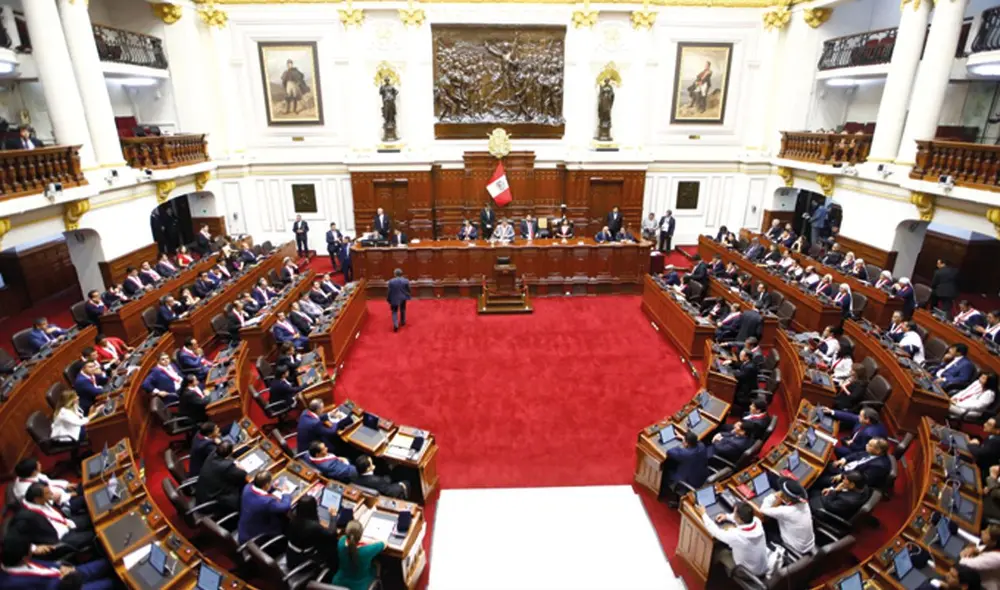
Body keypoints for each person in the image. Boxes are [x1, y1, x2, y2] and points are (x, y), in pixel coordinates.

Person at [0, 534, 116, 590]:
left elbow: (40, 565)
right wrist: (64, 580)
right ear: (24, 557)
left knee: (107, 562)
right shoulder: (10, 584)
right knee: (110, 583)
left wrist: (60, 567)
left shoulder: (14, 559)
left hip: (62, 573)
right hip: (65, 587)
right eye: (30, 550)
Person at [11, 482, 94, 551]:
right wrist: (33, 548)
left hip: (65, 523)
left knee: (93, 517)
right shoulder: (28, 517)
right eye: (47, 493)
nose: (51, 493)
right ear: (37, 499)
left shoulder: (37, 502)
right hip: (61, 538)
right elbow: (17, 537)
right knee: (95, 534)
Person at [697, 501, 768, 578]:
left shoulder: (736, 535)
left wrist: (703, 514)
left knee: (719, 551)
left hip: (749, 573)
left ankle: (710, 576)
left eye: (734, 514)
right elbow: (742, 521)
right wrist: (726, 516)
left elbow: (716, 532)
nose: (733, 515)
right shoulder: (757, 522)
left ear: (740, 519)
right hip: (762, 566)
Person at [237, 471, 294, 550]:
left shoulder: (247, 487)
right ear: (266, 485)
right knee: (287, 522)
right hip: (255, 537)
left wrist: (272, 487)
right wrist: (285, 493)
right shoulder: (266, 502)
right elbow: (285, 506)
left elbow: (260, 491)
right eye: (270, 483)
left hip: (244, 529)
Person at [760, 478, 816, 556]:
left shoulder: (785, 511)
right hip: (809, 544)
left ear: (787, 497)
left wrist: (774, 495)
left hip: (796, 548)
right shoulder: (805, 504)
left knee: (767, 532)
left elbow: (763, 509)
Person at [286, 495, 340, 573]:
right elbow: (332, 533)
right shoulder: (314, 526)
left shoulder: (293, 516)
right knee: (331, 547)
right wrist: (333, 516)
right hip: (301, 561)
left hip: (290, 553)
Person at [815, 437, 892, 490]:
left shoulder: (878, 466)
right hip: (846, 468)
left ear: (878, 450)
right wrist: (844, 459)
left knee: (818, 479)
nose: (866, 445)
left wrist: (842, 476)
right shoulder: (873, 453)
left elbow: (861, 479)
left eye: (869, 445)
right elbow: (857, 454)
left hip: (848, 479)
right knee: (823, 464)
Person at [13, 458, 84, 514]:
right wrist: (71, 495)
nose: (40, 464)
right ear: (33, 471)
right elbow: (50, 499)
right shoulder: (28, 490)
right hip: (57, 505)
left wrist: (66, 485)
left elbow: (49, 482)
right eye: (38, 464)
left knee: (83, 485)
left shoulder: (27, 475)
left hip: (58, 493)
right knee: (86, 497)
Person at [196, 441, 247, 517]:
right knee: (242, 491)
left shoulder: (212, 454)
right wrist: (238, 465)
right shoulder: (227, 467)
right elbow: (243, 474)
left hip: (202, 493)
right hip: (210, 502)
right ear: (230, 454)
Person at [331, 520, 385, 590]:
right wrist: (372, 541)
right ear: (360, 536)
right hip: (360, 585)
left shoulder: (341, 542)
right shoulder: (366, 551)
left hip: (339, 583)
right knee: (377, 564)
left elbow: (348, 540)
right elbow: (384, 543)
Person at [660, 431, 709, 500]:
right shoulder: (702, 446)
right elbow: (697, 442)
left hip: (689, 481)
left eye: (684, 441)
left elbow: (669, 452)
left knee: (665, 470)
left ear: (686, 443)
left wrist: (681, 446)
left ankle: (663, 492)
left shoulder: (686, 454)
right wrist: (683, 438)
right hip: (702, 477)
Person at [387, 268, 411, 333]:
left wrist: (388, 299)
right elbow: (408, 290)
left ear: (394, 274)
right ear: (401, 274)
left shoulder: (391, 281)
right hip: (403, 298)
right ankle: (403, 322)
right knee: (403, 309)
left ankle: (396, 325)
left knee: (394, 311)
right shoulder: (406, 281)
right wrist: (408, 295)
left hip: (394, 298)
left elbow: (389, 291)